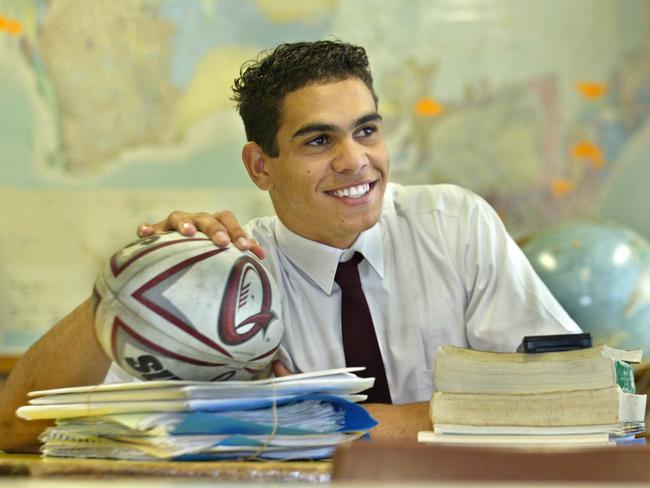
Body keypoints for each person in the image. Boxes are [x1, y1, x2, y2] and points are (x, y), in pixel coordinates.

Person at [0, 40, 580, 453]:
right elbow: (16, 426)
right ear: (259, 166)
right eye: (318, 140)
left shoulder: (455, 224)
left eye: (366, 130)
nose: (355, 160)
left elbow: (566, 397)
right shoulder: (227, 273)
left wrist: (338, 422)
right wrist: (130, 285)